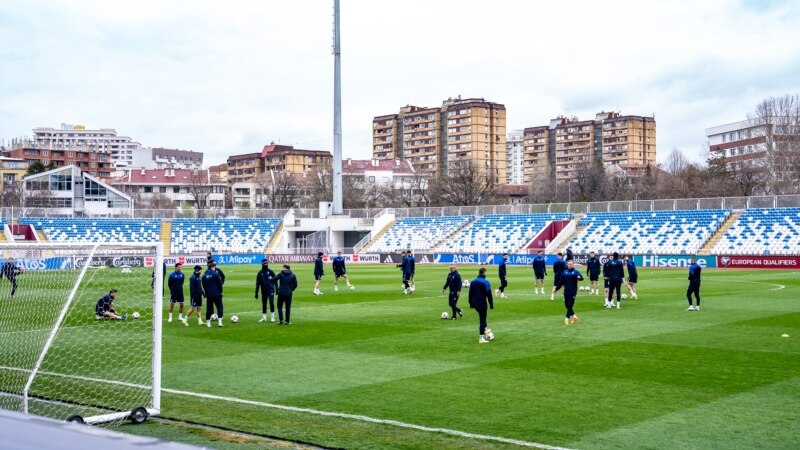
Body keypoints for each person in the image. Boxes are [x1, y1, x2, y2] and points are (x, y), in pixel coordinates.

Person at [554, 260, 584, 325]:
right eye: (568, 264)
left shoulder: (576, 272)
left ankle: (566, 318)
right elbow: (561, 282)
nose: (569, 265)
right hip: (566, 291)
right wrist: (556, 289)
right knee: (566, 304)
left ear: (573, 265)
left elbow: (582, 278)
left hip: (573, 291)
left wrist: (579, 277)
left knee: (570, 305)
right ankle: (574, 316)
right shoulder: (564, 272)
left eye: (570, 264)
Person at [468, 267, 494, 344]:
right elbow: (489, 295)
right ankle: (481, 337)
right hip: (482, 303)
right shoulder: (486, 282)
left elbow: (470, 294)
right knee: (482, 319)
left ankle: (486, 330)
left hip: (475, 303)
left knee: (482, 318)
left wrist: (471, 303)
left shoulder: (473, 282)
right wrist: (491, 304)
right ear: (484, 273)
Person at [202, 260, 225, 327]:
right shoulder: (215, 274)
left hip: (209, 294)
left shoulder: (204, 275)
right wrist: (220, 291)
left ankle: (208, 323)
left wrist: (206, 292)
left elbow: (203, 285)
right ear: (214, 267)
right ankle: (220, 322)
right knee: (219, 307)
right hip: (217, 294)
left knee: (209, 308)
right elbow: (220, 284)